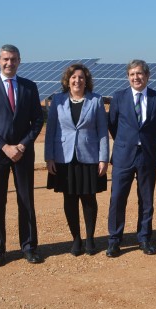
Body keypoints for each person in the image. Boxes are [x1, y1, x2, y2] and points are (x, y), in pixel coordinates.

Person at [0, 44, 44, 266]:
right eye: (5, 59)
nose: (9, 63)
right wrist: (4, 146)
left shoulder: (29, 87)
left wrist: (22, 146)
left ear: (19, 61)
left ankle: (29, 247)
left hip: (23, 154)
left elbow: (37, 121)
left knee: (26, 201)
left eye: (13, 59)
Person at [45, 64, 108, 257]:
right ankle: (76, 239)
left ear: (86, 80)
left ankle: (90, 239)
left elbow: (102, 132)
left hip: (89, 156)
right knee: (69, 199)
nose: (77, 80)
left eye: (81, 77)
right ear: (67, 80)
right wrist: (49, 157)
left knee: (89, 198)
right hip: (64, 156)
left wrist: (103, 158)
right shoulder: (57, 100)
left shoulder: (96, 100)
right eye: (73, 77)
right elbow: (51, 130)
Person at [107, 59, 156, 257]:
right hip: (123, 155)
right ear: (128, 77)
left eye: (139, 74)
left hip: (147, 155)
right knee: (117, 198)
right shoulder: (118, 97)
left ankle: (144, 238)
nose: (136, 77)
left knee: (146, 200)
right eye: (132, 74)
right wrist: (128, 142)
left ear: (147, 76)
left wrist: (144, 142)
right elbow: (113, 125)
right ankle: (114, 240)